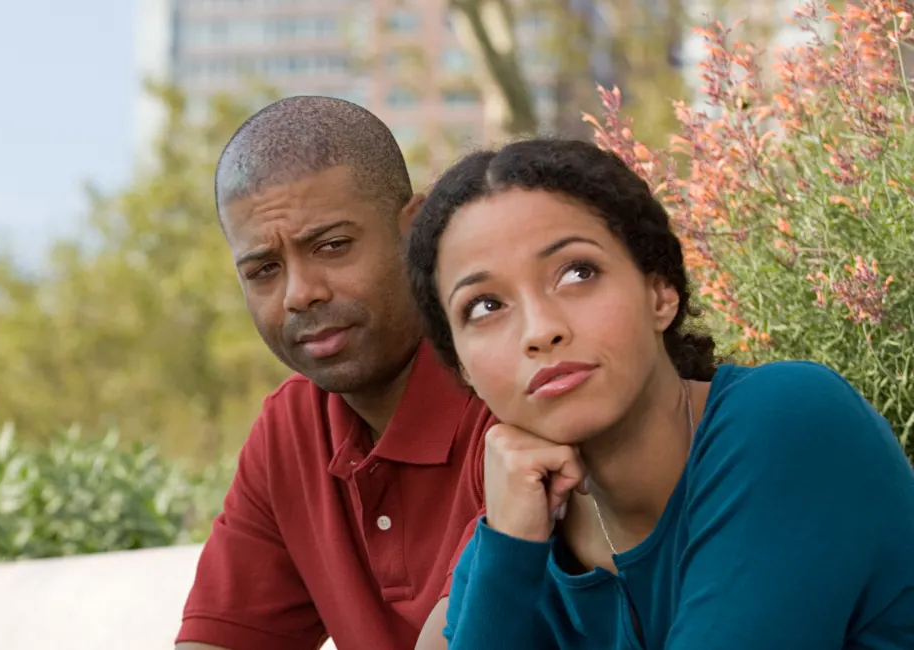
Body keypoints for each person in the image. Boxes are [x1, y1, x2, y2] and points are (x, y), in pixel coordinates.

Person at [404, 137, 914, 649]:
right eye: (485, 306)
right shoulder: (509, 540)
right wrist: (510, 550)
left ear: (660, 292)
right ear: (462, 367)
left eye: (578, 273)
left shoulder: (792, 422)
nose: (540, 330)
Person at [174, 95, 494, 650]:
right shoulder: (291, 429)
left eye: (332, 246)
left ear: (415, 233)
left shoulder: (510, 387)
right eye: (264, 270)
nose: (301, 294)